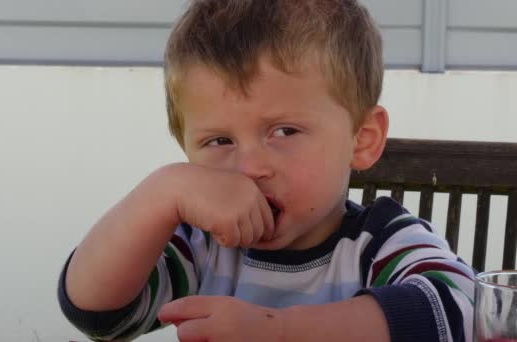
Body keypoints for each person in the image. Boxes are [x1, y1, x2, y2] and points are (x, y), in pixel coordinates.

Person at [57, 0, 475, 341]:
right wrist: (160, 192)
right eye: (219, 141)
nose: (249, 168)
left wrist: (281, 332)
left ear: (362, 138)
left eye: (284, 131)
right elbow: (96, 311)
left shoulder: (380, 244)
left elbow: (459, 311)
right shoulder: (202, 249)